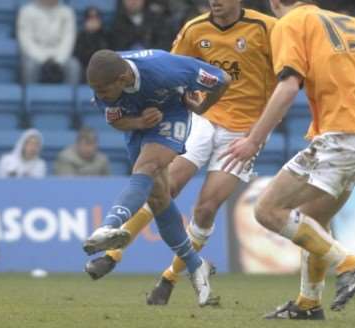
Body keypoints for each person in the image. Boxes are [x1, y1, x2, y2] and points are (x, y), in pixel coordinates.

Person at [85, 0, 277, 306]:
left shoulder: (267, 28)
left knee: (205, 207)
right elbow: (169, 76)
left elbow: (289, 76)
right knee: (164, 190)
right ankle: (116, 253)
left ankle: (169, 277)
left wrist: (260, 131)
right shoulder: (194, 28)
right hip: (203, 121)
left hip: (243, 129)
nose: (215, 1)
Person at [221, 0, 355, 320]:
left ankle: (351, 265)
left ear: (274, 2)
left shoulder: (291, 22)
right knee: (313, 221)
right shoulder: (349, 24)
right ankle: (309, 303)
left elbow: (288, 85)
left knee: (267, 210)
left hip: (341, 135)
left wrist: (253, 139)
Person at [84, 49, 231, 306]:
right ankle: (197, 266)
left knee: (147, 167)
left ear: (123, 78)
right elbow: (115, 121)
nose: (99, 96)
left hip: (172, 115)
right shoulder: (104, 82)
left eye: (104, 91)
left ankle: (109, 225)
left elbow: (223, 79)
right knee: (158, 199)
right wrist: (139, 123)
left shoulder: (165, 69)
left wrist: (202, 107)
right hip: (138, 125)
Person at [17, 0, 81, 84]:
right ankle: (30, 96)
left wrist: (58, 59)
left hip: (60, 55)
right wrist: (44, 59)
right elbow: (26, 41)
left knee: (74, 66)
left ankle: (70, 96)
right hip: (35, 56)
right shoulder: (26, 11)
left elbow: (68, 39)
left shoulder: (67, 12)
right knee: (29, 67)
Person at [75, 7, 111, 82]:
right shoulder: (80, 36)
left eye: (96, 18)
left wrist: (95, 34)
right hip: (84, 67)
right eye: (90, 18)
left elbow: (108, 53)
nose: (93, 21)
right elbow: (78, 54)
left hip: (102, 67)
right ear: (85, 21)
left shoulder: (107, 35)